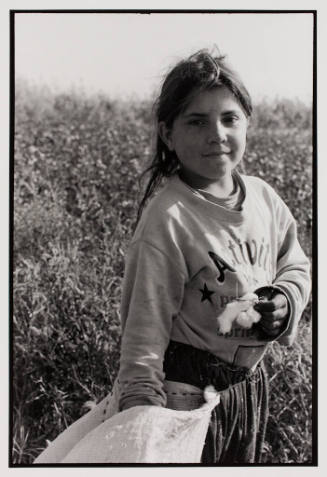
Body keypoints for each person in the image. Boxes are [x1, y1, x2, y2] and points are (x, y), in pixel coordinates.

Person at [116, 48, 311, 464]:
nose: (217, 134)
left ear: (247, 124)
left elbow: (295, 263)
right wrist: (140, 415)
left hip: (246, 391)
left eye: (229, 118)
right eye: (197, 121)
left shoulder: (263, 198)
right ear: (168, 133)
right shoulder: (168, 218)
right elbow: (143, 331)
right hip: (181, 397)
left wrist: (285, 300)